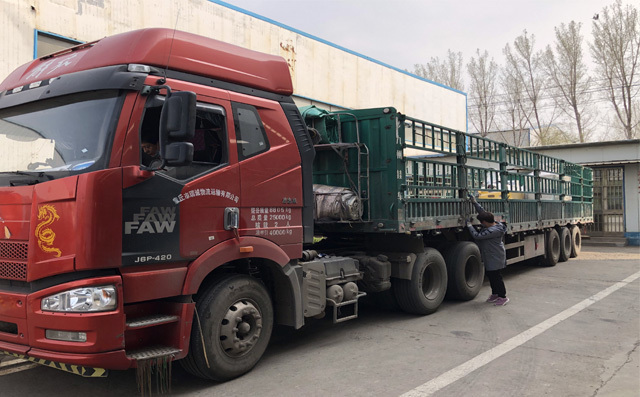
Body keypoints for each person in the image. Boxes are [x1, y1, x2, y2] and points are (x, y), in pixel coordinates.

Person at [467, 193, 509, 306]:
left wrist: (470, 226)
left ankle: (502, 297)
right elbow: (483, 213)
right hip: (490, 255)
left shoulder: (494, 230)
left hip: (495, 256)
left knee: (496, 277)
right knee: (491, 275)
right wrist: (475, 203)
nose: (481, 224)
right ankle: (495, 294)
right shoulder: (492, 224)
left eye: (482, 222)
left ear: (485, 222)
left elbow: (477, 236)